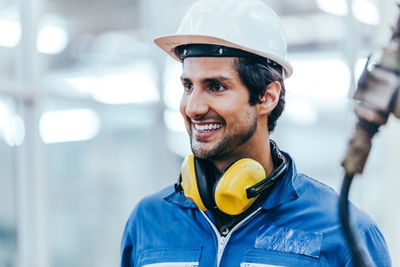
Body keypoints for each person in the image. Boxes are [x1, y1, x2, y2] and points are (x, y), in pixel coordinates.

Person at [120, 0, 392, 266]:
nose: (193, 107)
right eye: (188, 86)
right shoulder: (148, 222)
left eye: (215, 87)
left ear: (267, 96)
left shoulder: (342, 231)